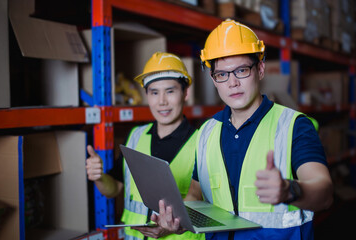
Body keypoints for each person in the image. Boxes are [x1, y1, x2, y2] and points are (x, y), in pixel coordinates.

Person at [136, 19, 334, 240]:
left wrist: (290, 190)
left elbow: (324, 191)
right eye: (222, 74)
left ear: (260, 69)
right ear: (213, 79)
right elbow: (195, 192)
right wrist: (179, 219)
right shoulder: (207, 131)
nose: (232, 83)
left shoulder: (293, 125)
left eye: (241, 70)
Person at [86, 52, 204, 240]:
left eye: (170, 91)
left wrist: (171, 225)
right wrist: (99, 177)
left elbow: (196, 197)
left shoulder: (201, 142)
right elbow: (114, 188)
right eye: (154, 92)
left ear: (186, 92)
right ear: (147, 95)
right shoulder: (135, 136)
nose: (162, 101)